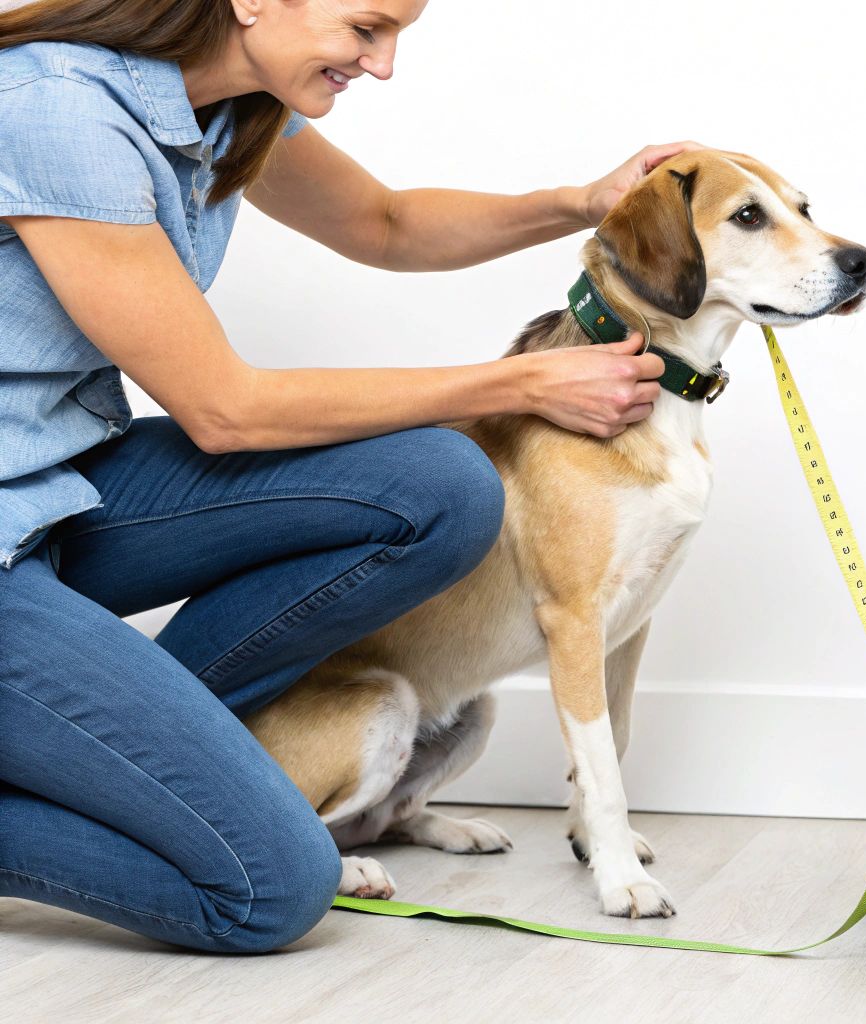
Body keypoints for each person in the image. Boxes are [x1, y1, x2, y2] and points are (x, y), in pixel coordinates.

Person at [0, 0, 702, 953]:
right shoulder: (57, 111)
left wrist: (583, 203)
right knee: (271, 885)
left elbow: (387, 224)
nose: (383, 66)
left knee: (443, 486)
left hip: (51, 485)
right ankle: (84, 769)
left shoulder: (238, 102)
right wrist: (521, 380)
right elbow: (224, 409)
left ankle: (117, 753)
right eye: (368, 27)